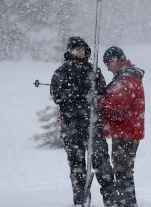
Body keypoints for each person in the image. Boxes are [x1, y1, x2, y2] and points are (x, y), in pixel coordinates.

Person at [50, 36, 116, 207]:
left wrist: (96, 92)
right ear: (69, 51)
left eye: (82, 49)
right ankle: (81, 201)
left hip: (94, 125)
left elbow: (103, 93)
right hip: (72, 127)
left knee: (102, 165)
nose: (80, 52)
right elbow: (56, 95)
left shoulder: (94, 70)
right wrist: (76, 91)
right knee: (77, 168)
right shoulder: (61, 72)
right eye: (76, 49)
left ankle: (111, 201)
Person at [98, 46, 145, 207]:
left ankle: (127, 203)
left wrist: (99, 101)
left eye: (108, 63)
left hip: (127, 130)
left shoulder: (127, 77)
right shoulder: (124, 76)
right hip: (126, 129)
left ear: (116, 60)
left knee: (123, 171)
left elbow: (119, 107)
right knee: (123, 170)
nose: (108, 68)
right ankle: (126, 202)